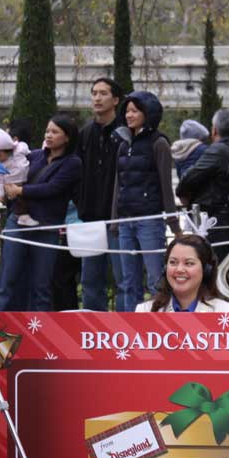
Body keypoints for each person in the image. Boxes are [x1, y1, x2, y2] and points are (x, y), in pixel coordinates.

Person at [0, 114, 82, 311]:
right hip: (17, 223)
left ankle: (39, 337)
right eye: (47, 131)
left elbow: (53, 188)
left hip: (46, 227)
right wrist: (5, 189)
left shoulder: (73, 163)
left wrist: (21, 191)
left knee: (41, 286)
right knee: (7, 281)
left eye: (55, 132)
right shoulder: (34, 156)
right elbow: (11, 168)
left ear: (67, 137)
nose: (49, 135)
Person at [114, 91, 181, 311]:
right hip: (125, 221)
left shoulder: (159, 143)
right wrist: (115, 220)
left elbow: (165, 186)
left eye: (135, 111)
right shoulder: (123, 144)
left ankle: (159, 326)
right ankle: (127, 328)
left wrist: (173, 224)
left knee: (155, 279)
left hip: (149, 221)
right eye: (127, 111)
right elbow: (119, 184)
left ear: (148, 113)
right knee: (127, 280)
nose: (129, 115)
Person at [77, 77, 124, 311]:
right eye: (94, 92)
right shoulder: (85, 133)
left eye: (103, 93)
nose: (97, 97)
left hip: (119, 218)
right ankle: (93, 331)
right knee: (90, 279)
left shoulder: (125, 133)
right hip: (90, 218)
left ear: (115, 100)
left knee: (123, 278)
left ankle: (127, 329)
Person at [176, 108, 229, 263]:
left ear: (214, 130)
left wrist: (183, 192)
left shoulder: (218, 150)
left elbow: (190, 178)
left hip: (216, 219)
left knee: (211, 266)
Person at [136, 234, 229, 313]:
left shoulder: (228, 313)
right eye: (173, 262)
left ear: (206, 269)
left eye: (189, 263)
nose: (179, 269)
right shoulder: (144, 311)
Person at [0, 128, 33, 225]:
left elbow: (30, 153)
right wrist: (0, 194)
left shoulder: (19, 150)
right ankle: (22, 217)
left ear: (8, 150)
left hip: (26, 181)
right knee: (17, 201)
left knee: (28, 198)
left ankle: (25, 216)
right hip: (10, 185)